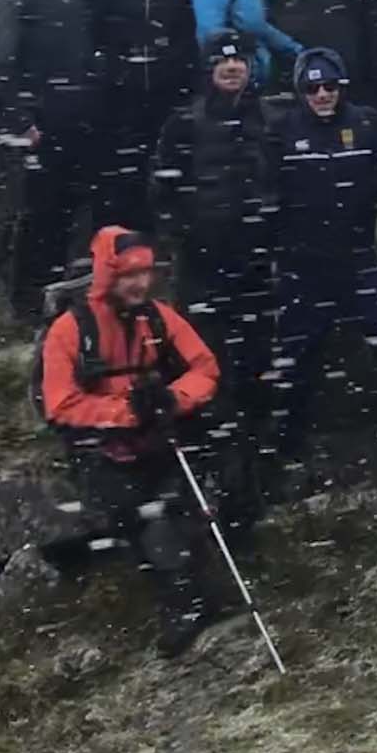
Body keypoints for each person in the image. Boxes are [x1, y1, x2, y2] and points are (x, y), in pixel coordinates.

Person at [39, 225, 226, 655]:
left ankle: (200, 592)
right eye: (128, 273)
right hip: (103, 447)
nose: (140, 282)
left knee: (199, 496)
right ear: (107, 275)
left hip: (161, 432)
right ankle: (181, 604)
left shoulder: (159, 317)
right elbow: (60, 405)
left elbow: (205, 369)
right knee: (135, 515)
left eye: (145, 271)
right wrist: (125, 414)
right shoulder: (70, 330)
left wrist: (172, 400)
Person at [262, 46, 377, 474]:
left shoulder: (366, 122)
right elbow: (266, 192)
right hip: (304, 269)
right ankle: (287, 450)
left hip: (358, 261)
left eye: (330, 86)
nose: (322, 94)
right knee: (294, 359)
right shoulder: (282, 131)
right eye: (313, 87)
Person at [152, 30, 276, 499]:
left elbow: (281, 179)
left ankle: (258, 459)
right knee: (205, 364)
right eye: (223, 62)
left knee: (256, 363)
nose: (232, 68)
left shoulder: (267, 117)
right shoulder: (183, 122)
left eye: (239, 61)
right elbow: (161, 191)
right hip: (203, 268)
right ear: (209, 69)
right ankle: (214, 467)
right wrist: (185, 235)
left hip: (257, 266)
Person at [0, 0, 99, 316]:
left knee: (67, 214)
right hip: (35, 125)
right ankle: (27, 305)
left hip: (75, 124)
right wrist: (20, 120)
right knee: (35, 218)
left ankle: (58, 299)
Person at [91, 0, 196, 232]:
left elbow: (186, 33)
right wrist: (116, 68)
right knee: (124, 169)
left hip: (167, 89)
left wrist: (179, 72)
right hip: (123, 93)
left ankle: (165, 240)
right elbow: (98, 31)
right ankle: (122, 244)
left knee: (172, 163)